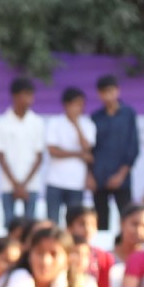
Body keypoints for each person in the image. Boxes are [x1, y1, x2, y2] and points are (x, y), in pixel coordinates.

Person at [88, 74, 139, 230]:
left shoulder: (128, 115)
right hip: (99, 176)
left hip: (122, 178)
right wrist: (90, 175)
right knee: (100, 222)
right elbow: (90, 149)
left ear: (118, 91)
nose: (108, 96)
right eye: (104, 92)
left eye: (111, 91)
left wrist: (121, 175)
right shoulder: (95, 117)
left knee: (127, 219)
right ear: (99, 94)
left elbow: (133, 147)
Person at [0, 77, 45, 224]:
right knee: (10, 226)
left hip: (31, 185)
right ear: (15, 96)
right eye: (25, 94)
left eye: (30, 95)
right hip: (8, 185)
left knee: (30, 227)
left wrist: (23, 185)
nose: (29, 99)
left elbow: (39, 156)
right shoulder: (2, 123)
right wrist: (16, 185)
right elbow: (0, 156)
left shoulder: (37, 122)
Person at [43, 87, 95, 225]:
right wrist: (78, 154)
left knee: (74, 222)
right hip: (55, 181)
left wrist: (76, 125)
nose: (79, 108)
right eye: (76, 104)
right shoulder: (54, 122)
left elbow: (87, 148)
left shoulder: (88, 124)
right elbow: (53, 151)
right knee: (52, 221)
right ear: (66, 104)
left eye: (82, 104)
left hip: (76, 183)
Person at [66, 205, 116, 287]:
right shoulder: (61, 253)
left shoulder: (104, 258)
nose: (88, 229)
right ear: (69, 227)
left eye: (93, 224)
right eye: (82, 224)